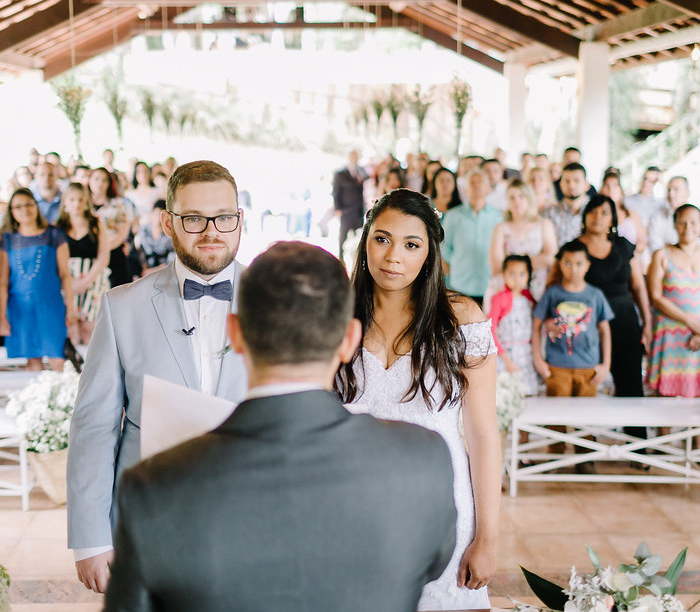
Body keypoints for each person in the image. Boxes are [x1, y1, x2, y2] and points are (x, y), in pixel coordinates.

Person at [102, 241, 457, 611]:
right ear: (350, 340)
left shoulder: (153, 485)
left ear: (235, 333)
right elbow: (431, 562)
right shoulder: (423, 460)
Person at [68, 161, 249, 593]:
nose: (212, 231)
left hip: (251, 517)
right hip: (148, 521)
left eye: (224, 218)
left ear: (239, 220)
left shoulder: (279, 299)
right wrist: (90, 538)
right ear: (167, 222)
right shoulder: (121, 306)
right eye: (193, 219)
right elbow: (94, 423)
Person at [335, 189, 500, 611]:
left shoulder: (461, 318)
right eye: (382, 239)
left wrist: (488, 537)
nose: (393, 257)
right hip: (352, 507)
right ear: (365, 239)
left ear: (429, 254)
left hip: (441, 507)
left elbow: (482, 434)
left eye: (412, 245)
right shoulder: (335, 317)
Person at [575, 196, 653, 442]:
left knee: (630, 381)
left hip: (624, 319)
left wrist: (647, 323)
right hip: (586, 323)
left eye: (605, 213)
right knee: (586, 384)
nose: (598, 217)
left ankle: (637, 445)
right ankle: (584, 448)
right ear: (585, 216)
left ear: (613, 219)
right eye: (593, 211)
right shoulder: (574, 247)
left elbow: (638, 287)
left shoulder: (623, 245)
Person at [646, 205, 700, 397]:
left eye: (693, 222)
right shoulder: (661, 255)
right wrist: (689, 321)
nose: (687, 227)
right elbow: (656, 297)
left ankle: (699, 429)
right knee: (666, 394)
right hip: (671, 332)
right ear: (674, 224)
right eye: (682, 222)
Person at [0, 188, 73, 371]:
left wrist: (70, 309)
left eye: (29, 204)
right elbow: (2, 281)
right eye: (18, 206)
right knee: (32, 361)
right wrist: (1, 316)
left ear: (36, 206)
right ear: (12, 212)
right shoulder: (7, 240)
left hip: (50, 304)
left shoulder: (54, 235)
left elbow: (65, 274)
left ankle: (60, 400)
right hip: (20, 307)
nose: (24, 210)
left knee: (57, 358)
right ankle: (38, 400)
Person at [532, 240, 613, 399]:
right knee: (556, 420)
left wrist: (605, 365)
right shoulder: (551, 293)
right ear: (560, 264)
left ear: (587, 265)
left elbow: (605, 330)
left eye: (579, 263)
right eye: (568, 263)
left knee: (584, 420)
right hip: (556, 367)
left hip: (588, 369)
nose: (573, 269)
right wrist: (538, 360)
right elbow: (536, 325)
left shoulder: (595, 295)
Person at [55, 183, 110, 346]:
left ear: (86, 202)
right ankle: (73, 369)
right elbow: (55, 258)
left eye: (80, 200)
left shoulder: (96, 224)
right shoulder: (58, 228)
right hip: (67, 279)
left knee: (90, 327)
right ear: (65, 203)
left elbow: (103, 256)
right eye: (72, 200)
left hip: (93, 279)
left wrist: (86, 282)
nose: (76, 204)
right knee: (71, 327)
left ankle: (91, 368)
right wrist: (71, 283)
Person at [489, 179, 556, 301]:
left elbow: (550, 258)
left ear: (529, 198)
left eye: (521, 196)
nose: (517, 201)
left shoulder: (544, 224)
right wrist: (534, 262)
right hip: (508, 290)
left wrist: (514, 266)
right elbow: (497, 265)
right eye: (512, 197)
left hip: (538, 288)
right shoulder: (501, 228)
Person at [441, 171, 502, 306]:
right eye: (472, 183)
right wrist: (457, 262)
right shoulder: (453, 216)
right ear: (466, 189)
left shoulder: (498, 217)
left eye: (480, 182)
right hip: (459, 283)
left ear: (488, 188)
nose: (476, 186)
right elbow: (444, 246)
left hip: (489, 284)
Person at [489, 255, 541, 395]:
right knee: (507, 390)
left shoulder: (529, 298)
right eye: (512, 274)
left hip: (525, 352)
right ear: (503, 274)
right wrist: (504, 357)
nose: (517, 279)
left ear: (528, 275)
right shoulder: (499, 299)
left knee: (528, 392)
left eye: (522, 274)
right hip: (506, 353)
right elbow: (491, 329)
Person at [89, 166, 139, 288]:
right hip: (89, 254)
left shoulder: (118, 204)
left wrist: (103, 249)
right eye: (96, 179)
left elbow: (122, 234)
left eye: (104, 180)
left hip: (114, 253)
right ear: (90, 181)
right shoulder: (83, 203)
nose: (99, 183)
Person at [600, 170, 647, 258]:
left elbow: (642, 242)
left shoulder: (631, 214)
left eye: (615, 186)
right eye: (607, 185)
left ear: (621, 190)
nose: (610, 190)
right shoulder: (597, 216)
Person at [332, 149, 367, 263]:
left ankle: (358, 258)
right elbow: (336, 192)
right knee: (343, 235)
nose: (354, 159)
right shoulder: (340, 173)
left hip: (358, 210)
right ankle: (340, 258)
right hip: (346, 210)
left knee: (359, 235)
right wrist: (338, 208)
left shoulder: (361, 171)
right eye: (352, 156)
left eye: (356, 156)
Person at [544, 162, 591, 247]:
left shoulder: (596, 211)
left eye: (576, 181)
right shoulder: (549, 213)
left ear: (586, 185)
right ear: (560, 185)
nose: (571, 185)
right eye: (567, 181)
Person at [135, 199, 175, 273]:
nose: (157, 219)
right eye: (156, 214)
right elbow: (140, 250)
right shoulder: (144, 230)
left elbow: (171, 261)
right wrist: (144, 268)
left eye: (160, 216)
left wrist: (151, 271)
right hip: (144, 269)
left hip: (163, 272)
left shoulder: (170, 236)